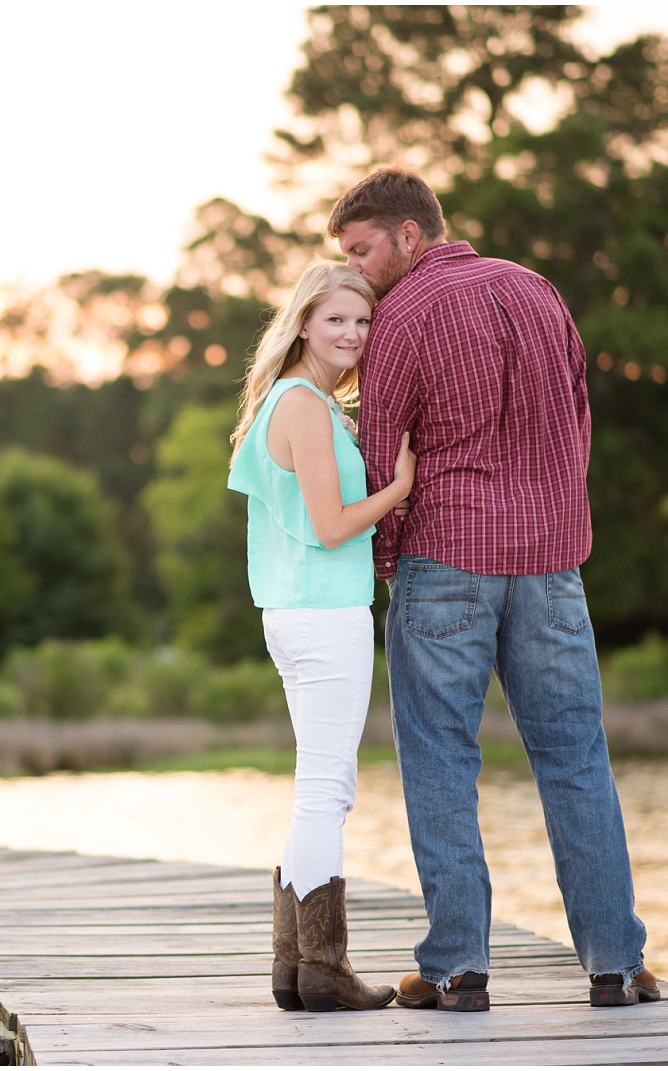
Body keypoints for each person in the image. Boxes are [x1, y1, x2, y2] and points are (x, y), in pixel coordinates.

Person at [330, 166, 658, 1012]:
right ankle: (616, 966)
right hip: (552, 568)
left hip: (447, 564)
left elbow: (377, 452)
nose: (357, 270)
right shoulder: (539, 291)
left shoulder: (401, 314)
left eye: (363, 250)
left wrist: (389, 561)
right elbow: (578, 423)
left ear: (410, 234)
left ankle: (456, 969)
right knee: (577, 758)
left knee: (440, 762)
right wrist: (553, 523)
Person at [227, 260, 417, 1013]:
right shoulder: (302, 405)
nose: (352, 332)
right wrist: (400, 486)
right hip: (322, 614)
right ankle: (324, 967)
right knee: (326, 790)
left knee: (319, 786)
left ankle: (294, 966)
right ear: (303, 321)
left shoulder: (299, 402)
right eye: (337, 318)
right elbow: (334, 525)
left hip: (298, 613)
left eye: (363, 321)